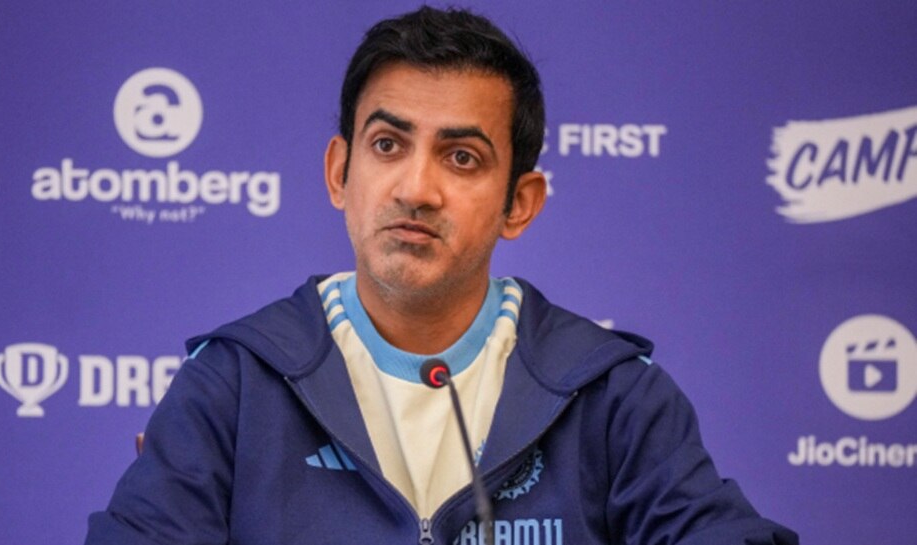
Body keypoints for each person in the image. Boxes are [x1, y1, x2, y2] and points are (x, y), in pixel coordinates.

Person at [86, 7, 798, 544]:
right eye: (387, 144)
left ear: (520, 203)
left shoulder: (613, 395)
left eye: (462, 158)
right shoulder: (234, 383)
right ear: (339, 172)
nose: (416, 188)